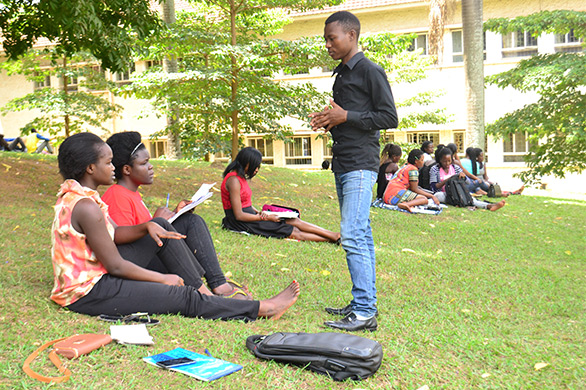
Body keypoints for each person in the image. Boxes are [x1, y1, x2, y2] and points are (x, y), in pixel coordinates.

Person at [51, 132, 299, 321]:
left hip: (100, 279)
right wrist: (163, 278)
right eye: (108, 162)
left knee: (159, 226)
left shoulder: (81, 197)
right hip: (89, 292)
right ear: (91, 168)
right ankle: (262, 308)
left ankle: (212, 290)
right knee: (183, 296)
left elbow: (114, 233)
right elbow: (115, 264)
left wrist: (149, 226)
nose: (113, 167)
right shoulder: (86, 206)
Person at [308, 11, 398, 332]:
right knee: (362, 234)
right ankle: (363, 301)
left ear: (352, 35)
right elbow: (348, 116)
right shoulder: (342, 74)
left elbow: (389, 117)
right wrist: (329, 119)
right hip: (343, 161)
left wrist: (346, 116)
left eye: (332, 38)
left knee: (352, 234)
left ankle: (364, 311)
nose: (328, 44)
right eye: (326, 39)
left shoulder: (370, 71)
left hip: (361, 163)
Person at [102, 131, 251, 299]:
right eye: (144, 163)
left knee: (190, 221)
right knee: (186, 223)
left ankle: (218, 283)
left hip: (153, 255)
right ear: (127, 169)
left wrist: (175, 214)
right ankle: (210, 292)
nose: (150, 167)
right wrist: (157, 221)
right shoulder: (116, 195)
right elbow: (122, 242)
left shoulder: (132, 194)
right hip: (139, 268)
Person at [221, 147, 340, 243]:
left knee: (294, 220)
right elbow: (239, 215)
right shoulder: (233, 181)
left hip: (252, 216)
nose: (256, 170)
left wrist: (258, 212)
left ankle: (333, 235)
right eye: (255, 166)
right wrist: (265, 217)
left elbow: (245, 203)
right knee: (293, 231)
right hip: (241, 222)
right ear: (246, 164)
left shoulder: (240, 178)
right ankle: (333, 239)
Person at [429, 146, 505, 211]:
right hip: (445, 193)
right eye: (444, 161)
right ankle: (483, 204)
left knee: (468, 197)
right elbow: (434, 187)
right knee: (438, 195)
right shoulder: (435, 169)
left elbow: (468, 183)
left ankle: (488, 206)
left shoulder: (456, 168)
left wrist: (464, 177)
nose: (447, 163)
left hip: (457, 192)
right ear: (440, 160)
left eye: (449, 161)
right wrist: (448, 180)